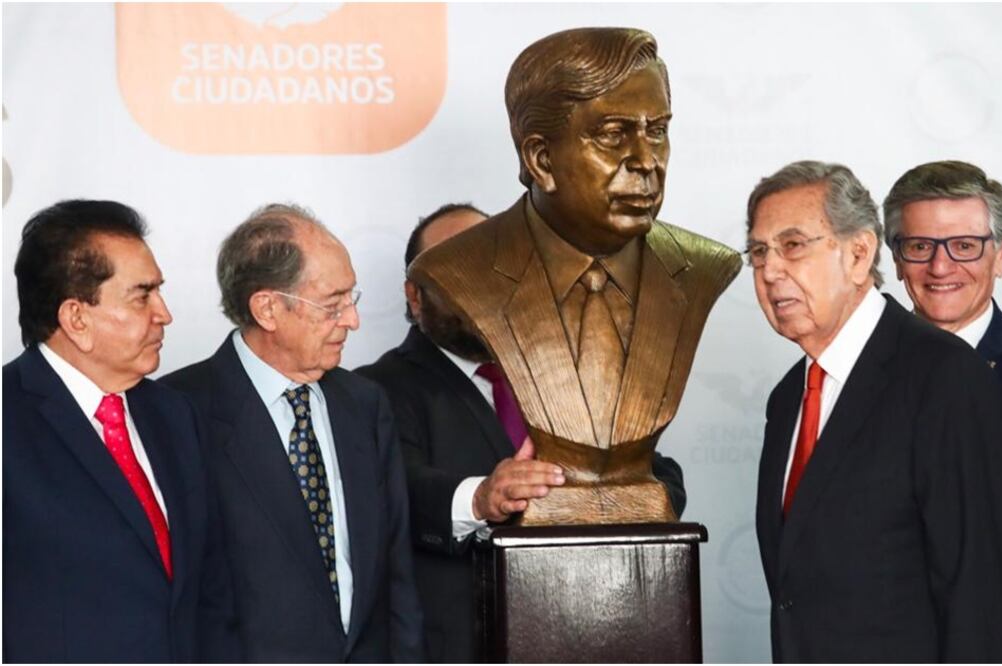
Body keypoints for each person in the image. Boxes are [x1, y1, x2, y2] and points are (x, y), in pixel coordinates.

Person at [408, 28, 740, 525]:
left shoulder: (701, 267)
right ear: (541, 159)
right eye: (612, 135)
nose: (646, 161)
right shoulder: (457, 272)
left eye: (658, 130)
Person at [357, 202, 688, 662]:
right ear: (415, 296)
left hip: (586, 640)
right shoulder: (374, 389)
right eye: (458, 271)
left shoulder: (566, 372)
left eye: (494, 266)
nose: (480, 286)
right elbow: (395, 491)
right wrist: (480, 498)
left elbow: (655, 472)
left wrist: (631, 497)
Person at [747, 161, 1002, 662]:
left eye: (792, 246)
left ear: (859, 254)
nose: (770, 271)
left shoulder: (947, 377)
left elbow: (983, 601)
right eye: (759, 251)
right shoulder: (788, 397)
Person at [162, 204, 423, 662]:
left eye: (352, 299)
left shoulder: (364, 404)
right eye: (332, 304)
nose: (352, 321)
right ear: (267, 308)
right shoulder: (178, 411)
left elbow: (395, 575)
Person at [3, 200, 236, 662]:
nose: (164, 313)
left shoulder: (174, 414)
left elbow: (211, 584)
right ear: (77, 319)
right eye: (142, 295)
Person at [884, 160, 1002, 663]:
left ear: (1001, 254)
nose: (941, 267)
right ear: (897, 259)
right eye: (920, 246)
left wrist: (940, 523)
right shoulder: (852, 376)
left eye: (965, 246)